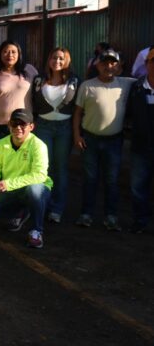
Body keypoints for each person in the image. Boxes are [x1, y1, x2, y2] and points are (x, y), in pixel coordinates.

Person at [73, 49, 136, 231]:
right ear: (97, 65)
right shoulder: (87, 85)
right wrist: (77, 135)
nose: (109, 66)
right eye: (105, 63)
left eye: (113, 63)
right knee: (90, 179)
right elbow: (77, 113)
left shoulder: (126, 84)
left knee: (111, 180)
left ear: (118, 66)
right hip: (90, 140)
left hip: (114, 141)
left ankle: (111, 216)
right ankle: (86, 214)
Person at [0, 109, 52, 248]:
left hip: (35, 187)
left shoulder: (39, 146)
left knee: (33, 190)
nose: (18, 128)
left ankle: (36, 231)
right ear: (9, 125)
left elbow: (40, 175)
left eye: (23, 124)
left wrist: (10, 183)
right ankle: (20, 213)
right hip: (11, 189)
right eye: (14, 124)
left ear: (31, 127)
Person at [32, 47, 79, 223]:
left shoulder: (74, 81)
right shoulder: (38, 80)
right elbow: (32, 103)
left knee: (60, 169)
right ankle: (43, 204)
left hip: (64, 129)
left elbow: (78, 109)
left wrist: (77, 132)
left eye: (61, 58)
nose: (57, 61)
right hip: (43, 127)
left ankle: (57, 209)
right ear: (48, 60)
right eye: (54, 58)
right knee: (44, 167)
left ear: (67, 61)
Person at [0, 40, 38, 144]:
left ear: (19, 54)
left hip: (22, 124)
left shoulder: (29, 70)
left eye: (13, 52)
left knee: (21, 158)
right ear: (0, 54)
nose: (10, 55)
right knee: (0, 158)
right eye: (5, 51)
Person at [128, 46, 154, 233]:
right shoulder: (136, 87)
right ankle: (140, 220)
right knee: (138, 186)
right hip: (140, 146)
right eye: (153, 62)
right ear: (146, 64)